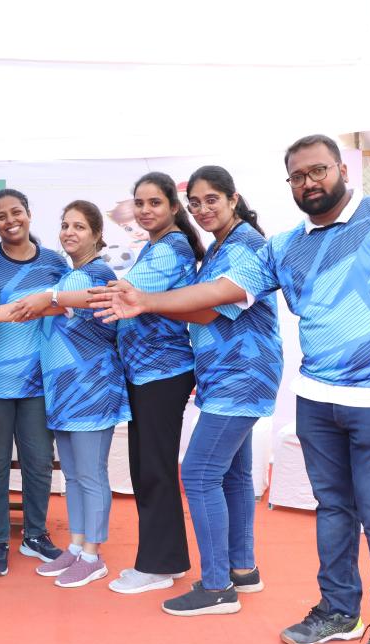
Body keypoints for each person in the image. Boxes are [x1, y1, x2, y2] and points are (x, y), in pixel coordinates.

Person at [91, 134, 370, 644]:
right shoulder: (283, 246)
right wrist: (146, 300)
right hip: (317, 396)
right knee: (333, 510)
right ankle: (339, 610)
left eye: (318, 170)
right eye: (298, 176)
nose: (309, 182)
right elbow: (221, 294)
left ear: (341, 169)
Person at [0, 200, 131, 588]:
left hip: (89, 390)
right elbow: (32, 308)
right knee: (74, 476)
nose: (70, 232)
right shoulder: (69, 275)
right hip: (62, 392)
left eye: (80, 227)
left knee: (89, 475)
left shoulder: (92, 275)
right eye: (66, 225)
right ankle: (77, 547)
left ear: (97, 234)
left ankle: (92, 555)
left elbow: (36, 307)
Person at [157, 166, 283, 617]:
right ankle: (242, 570)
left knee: (198, 474)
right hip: (224, 375)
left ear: (234, 199)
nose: (203, 209)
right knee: (232, 474)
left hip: (240, 375)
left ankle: (216, 588)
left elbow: (207, 310)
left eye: (212, 199)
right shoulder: (220, 246)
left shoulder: (244, 245)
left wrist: (147, 303)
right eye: (195, 203)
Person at [105, 172, 204, 595]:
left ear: (174, 208)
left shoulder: (172, 247)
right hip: (145, 374)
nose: (146, 210)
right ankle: (167, 559)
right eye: (140, 203)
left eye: (155, 203)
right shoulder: (155, 246)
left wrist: (53, 299)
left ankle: (157, 566)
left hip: (162, 372)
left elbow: (122, 296)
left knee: (154, 470)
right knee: (148, 467)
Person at [0, 188, 69, 576]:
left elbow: (68, 307)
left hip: (38, 381)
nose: (10, 221)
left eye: (16, 212)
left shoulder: (54, 262)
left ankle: (35, 535)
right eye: (1, 216)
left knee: (39, 461)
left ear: (29, 214)